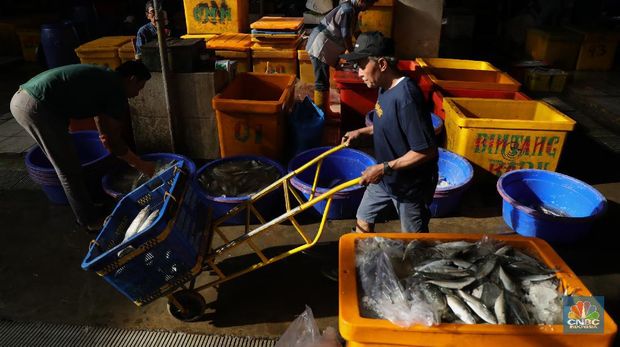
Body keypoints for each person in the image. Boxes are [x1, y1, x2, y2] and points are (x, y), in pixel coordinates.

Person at [10, 61, 156, 232]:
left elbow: (101, 120)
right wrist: (142, 165)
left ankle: (88, 205)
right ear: (131, 79)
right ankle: (90, 220)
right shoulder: (116, 89)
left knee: (69, 157)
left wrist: (106, 139)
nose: (138, 94)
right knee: (68, 168)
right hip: (36, 106)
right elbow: (114, 141)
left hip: (29, 98)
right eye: (140, 87)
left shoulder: (107, 79)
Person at [340, 32, 438, 233]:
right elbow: (389, 123)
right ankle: (366, 262)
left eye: (361, 65)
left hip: (409, 187)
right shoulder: (384, 87)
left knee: (414, 245)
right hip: (385, 179)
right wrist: (362, 131)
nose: (358, 72)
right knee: (363, 220)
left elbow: (426, 151)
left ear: (382, 64)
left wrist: (383, 168)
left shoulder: (407, 98)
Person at [305, 0, 376, 111]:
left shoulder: (354, 11)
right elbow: (346, 35)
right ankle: (322, 114)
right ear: (361, 0)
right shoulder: (347, 10)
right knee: (321, 81)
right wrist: (353, 54)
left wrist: (367, 46)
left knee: (324, 80)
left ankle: (326, 111)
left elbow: (357, 33)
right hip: (319, 46)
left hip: (326, 47)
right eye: (369, 4)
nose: (369, 7)